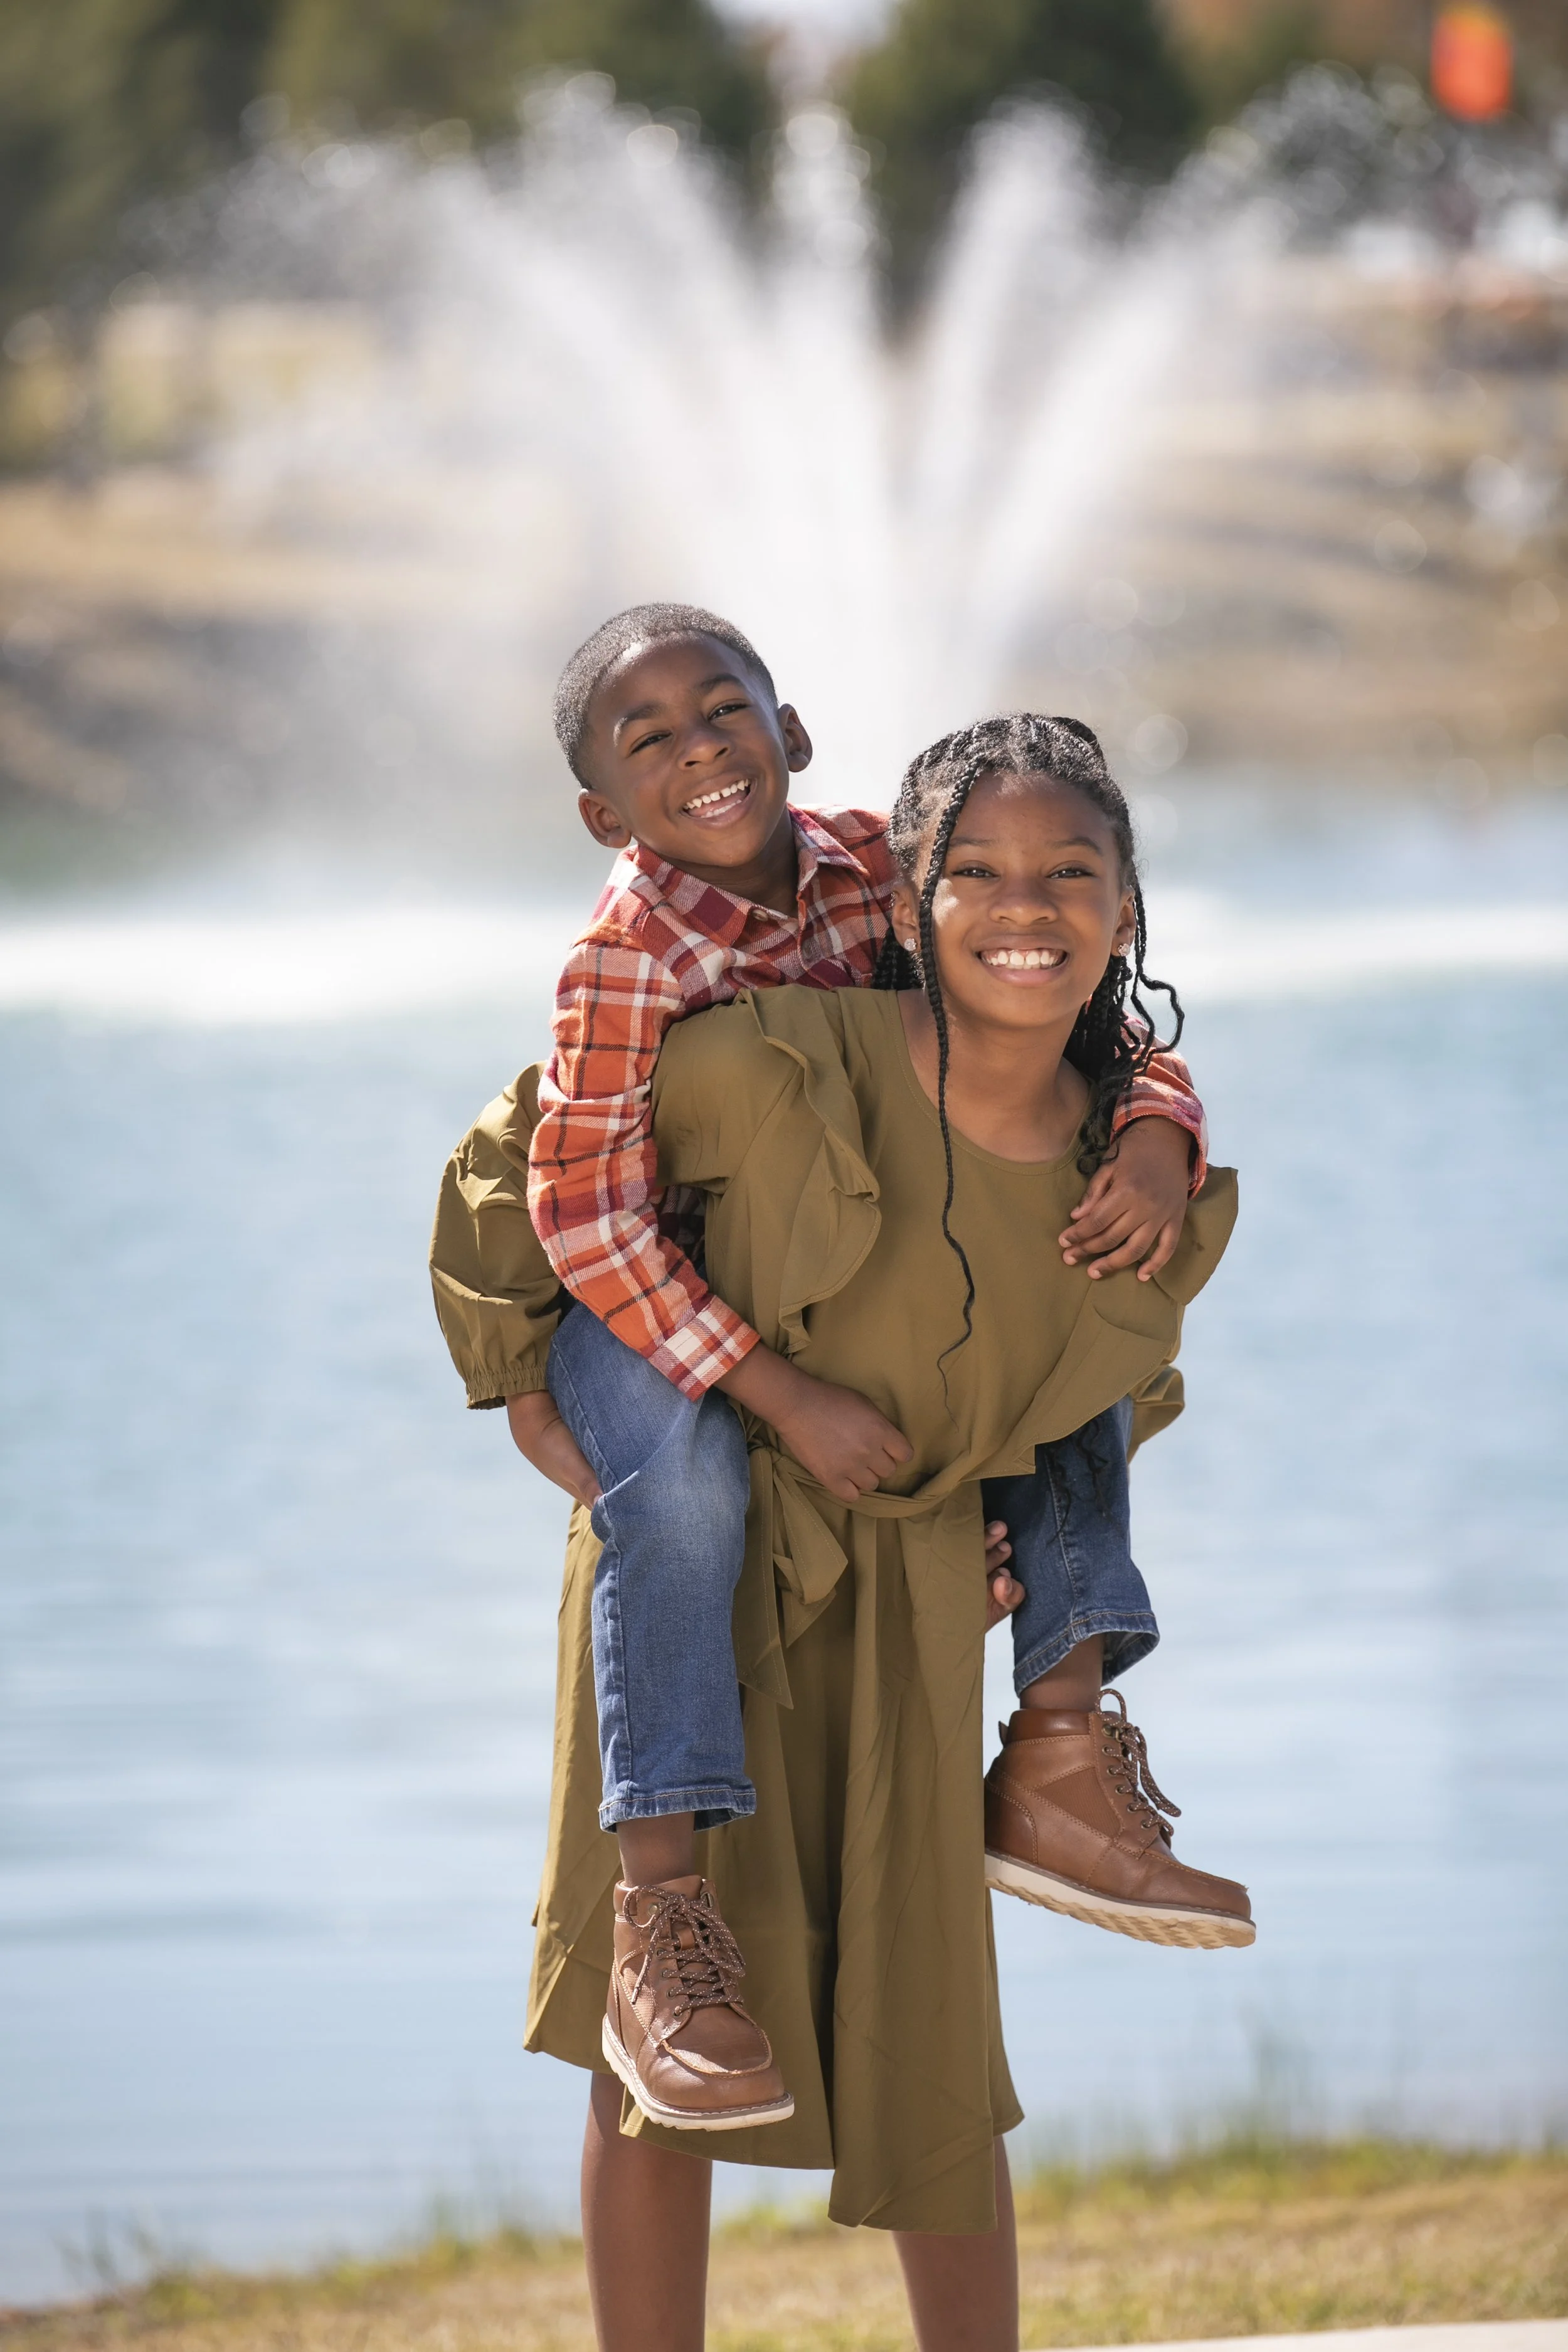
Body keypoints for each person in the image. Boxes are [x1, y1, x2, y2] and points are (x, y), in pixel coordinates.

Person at [430, 713, 1243, 2351]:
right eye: (980, 878)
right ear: (907, 906)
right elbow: (540, 1162)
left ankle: (1067, 1751)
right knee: (660, 2033)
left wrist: (1154, 1124)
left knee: (933, 2025)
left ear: (1128, 906)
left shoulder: (1123, 1155)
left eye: (1071, 877)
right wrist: (519, 1379)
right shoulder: (767, 1060)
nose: (1026, 908)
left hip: (924, 1585)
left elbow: (1082, 1386)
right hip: (693, 1563)